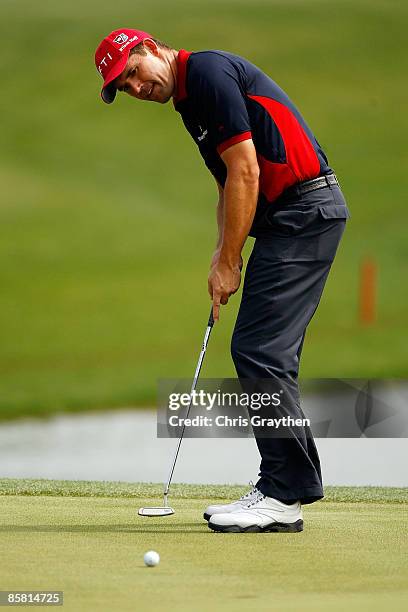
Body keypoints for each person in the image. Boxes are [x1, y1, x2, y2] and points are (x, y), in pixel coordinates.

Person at [94, 28, 350, 533]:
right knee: (263, 351)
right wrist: (220, 254)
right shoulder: (190, 100)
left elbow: (247, 172)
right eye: (123, 87)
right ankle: (284, 486)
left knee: (260, 351)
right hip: (290, 220)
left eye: (133, 73)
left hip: (303, 213)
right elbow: (227, 181)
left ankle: (282, 493)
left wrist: (232, 260)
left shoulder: (207, 73)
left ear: (150, 48)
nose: (135, 88)